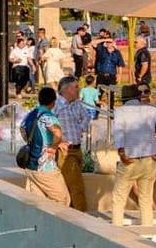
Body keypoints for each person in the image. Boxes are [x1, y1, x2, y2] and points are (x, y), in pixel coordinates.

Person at [109, 84, 156, 226]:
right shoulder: (151, 110)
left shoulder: (121, 112)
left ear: (123, 99)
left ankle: (116, 231)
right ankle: (147, 232)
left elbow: (118, 132)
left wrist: (121, 153)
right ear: (138, 96)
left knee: (119, 199)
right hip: (150, 159)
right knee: (146, 199)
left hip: (130, 159)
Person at [20, 86, 69, 206]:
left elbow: (22, 129)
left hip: (31, 165)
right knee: (62, 199)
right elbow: (57, 133)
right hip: (45, 167)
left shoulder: (31, 114)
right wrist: (53, 147)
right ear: (53, 102)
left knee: (39, 204)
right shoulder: (48, 116)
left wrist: (33, 143)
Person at [52, 76, 93, 211]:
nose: (78, 89)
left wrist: (80, 128)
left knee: (71, 184)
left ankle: (71, 213)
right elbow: (46, 124)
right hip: (65, 151)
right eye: (76, 87)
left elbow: (87, 117)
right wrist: (57, 142)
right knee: (77, 186)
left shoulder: (76, 104)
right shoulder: (56, 105)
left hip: (77, 148)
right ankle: (82, 216)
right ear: (67, 89)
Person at [92, 30, 122, 97]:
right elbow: (92, 43)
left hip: (112, 76)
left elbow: (120, 64)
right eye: (107, 42)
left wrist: (119, 75)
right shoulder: (102, 50)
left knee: (111, 94)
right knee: (98, 94)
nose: (109, 44)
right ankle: (97, 106)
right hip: (101, 75)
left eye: (110, 42)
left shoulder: (117, 52)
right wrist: (104, 39)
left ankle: (111, 107)